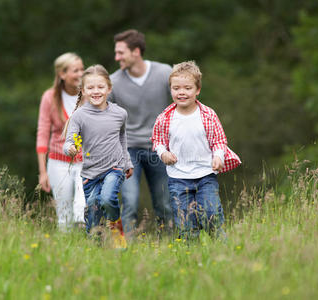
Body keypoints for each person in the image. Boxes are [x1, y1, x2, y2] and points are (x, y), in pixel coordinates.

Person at [152, 61, 241, 239]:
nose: (181, 92)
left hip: (205, 174)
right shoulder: (165, 117)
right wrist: (163, 153)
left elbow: (219, 141)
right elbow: (158, 141)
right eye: (176, 88)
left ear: (197, 90)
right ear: (171, 90)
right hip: (178, 178)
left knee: (211, 215)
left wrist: (218, 156)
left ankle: (222, 250)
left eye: (187, 88)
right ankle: (191, 256)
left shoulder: (208, 115)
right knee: (185, 222)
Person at [109, 29, 173, 234]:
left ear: (136, 51)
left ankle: (173, 245)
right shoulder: (114, 83)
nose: (116, 57)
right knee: (129, 201)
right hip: (128, 151)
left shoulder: (165, 73)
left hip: (160, 149)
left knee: (165, 203)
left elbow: (183, 103)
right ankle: (126, 251)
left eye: (121, 52)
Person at [64, 64, 134, 249]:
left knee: (108, 197)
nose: (96, 91)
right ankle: (94, 248)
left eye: (101, 87)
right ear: (83, 90)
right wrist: (70, 148)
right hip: (90, 173)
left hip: (114, 167)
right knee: (94, 208)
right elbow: (68, 142)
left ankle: (116, 229)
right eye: (91, 87)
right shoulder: (79, 116)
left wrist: (127, 162)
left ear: (109, 89)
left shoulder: (120, 113)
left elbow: (122, 138)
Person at [36, 52, 86, 231]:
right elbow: (42, 133)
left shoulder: (90, 95)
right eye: (75, 70)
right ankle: (66, 252)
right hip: (58, 162)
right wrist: (43, 172)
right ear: (62, 74)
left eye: (82, 69)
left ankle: (87, 248)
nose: (81, 74)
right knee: (64, 216)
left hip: (85, 163)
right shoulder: (50, 97)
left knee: (81, 211)